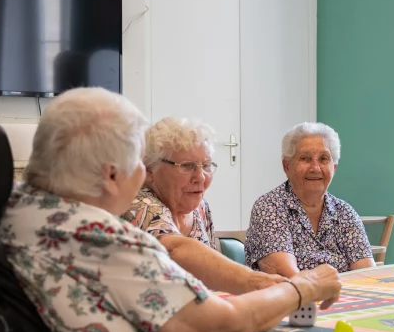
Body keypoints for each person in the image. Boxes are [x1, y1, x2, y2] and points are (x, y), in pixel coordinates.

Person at [0, 87, 345, 332]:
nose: (143, 172)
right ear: (111, 174)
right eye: (139, 161)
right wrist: (302, 288)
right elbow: (217, 323)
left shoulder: (19, 212)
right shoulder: (101, 237)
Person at [244, 122, 376, 332]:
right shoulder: (270, 207)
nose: (316, 167)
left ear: (334, 166)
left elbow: (367, 274)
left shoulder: (343, 211)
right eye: (305, 158)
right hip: (292, 319)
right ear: (286, 165)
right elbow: (291, 277)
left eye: (324, 158)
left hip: (343, 314)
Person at [122, 117, 284, 295]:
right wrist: (254, 280)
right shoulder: (139, 204)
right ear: (150, 170)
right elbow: (175, 249)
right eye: (187, 166)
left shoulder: (200, 208)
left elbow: (211, 279)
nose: (200, 177)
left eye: (206, 165)